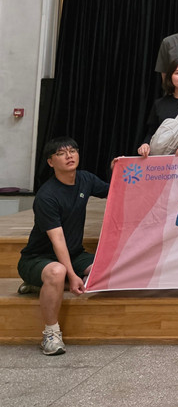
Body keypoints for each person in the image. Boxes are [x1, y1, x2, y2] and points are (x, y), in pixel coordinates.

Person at [17, 137, 110, 355]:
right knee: (57, 272)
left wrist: (120, 170)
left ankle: (43, 286)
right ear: (51, 162)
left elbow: (115, 190)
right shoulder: (47, 196)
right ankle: (51, 334)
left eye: (73, 150)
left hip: (75, 254)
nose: (69, 156)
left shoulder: (85, 179)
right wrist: (72, 274)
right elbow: (58, 240)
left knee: (108, 268)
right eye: (61, 153)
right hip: (38, 259)